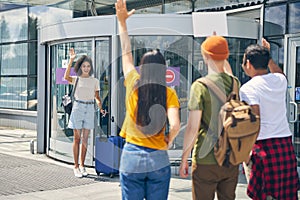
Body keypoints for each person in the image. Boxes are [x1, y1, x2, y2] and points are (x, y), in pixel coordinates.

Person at [115, 0, 181, 199]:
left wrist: (122, 23)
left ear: (142, 68)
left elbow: (126, 54)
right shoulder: (168, 93)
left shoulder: (133, 82)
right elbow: (175, 124)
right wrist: (169, 140)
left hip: (131, 156)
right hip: (158, 158)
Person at [179, 35, 240, 200]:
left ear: (205, 57)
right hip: (230, 158)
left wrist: (184, 158)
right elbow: (226, 71)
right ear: (226, 56)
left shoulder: (200, 86)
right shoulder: (235, 83)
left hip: (206, 159)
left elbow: (192, 127)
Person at [240, 38, 299, 199]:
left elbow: (254, 121)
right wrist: (268, 55)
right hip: (285, 144)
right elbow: (279, 73)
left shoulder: (248, 88)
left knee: (263, 195)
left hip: (262, 147)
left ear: (249, 63)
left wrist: (246, 152)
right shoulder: (279, 80)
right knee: (286, 194)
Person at [64, 48, 105, 178]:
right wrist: (71, 60)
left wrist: (101, 107)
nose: (86, 68)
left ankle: (82, 165)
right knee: (77, 138)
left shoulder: (95, 81)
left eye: (88, 66)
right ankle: (75, 166)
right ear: (80, 67)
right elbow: (65, 77)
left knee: (85, 139)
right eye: (84, 66)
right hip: (78, 107)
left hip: (89, 109)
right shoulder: (76, 79)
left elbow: (97, 97)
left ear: (90, 67)